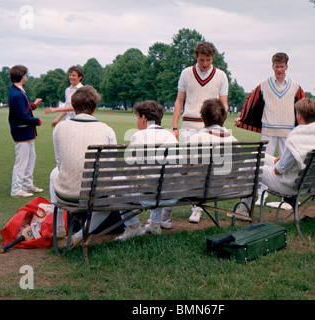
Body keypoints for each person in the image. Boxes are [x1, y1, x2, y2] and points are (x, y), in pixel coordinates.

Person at [49, 85, 119, 248]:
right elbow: (110, 167)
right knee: (107, 202)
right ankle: (79, 236)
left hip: (67, 194)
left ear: (73, 107)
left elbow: (60, 164)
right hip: (96, 196)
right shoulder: (107, 130)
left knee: (54, 172)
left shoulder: (59, 127)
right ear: (95, 108)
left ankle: (59, 226)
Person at [234, 52, 305, 205]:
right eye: (276, 66)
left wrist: (305, 125)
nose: (279, 70)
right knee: (262, 162)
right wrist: (242, 117)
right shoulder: (264, 85)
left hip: (288, 131)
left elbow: (303, 105)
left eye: (281, 66)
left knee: (287, 163)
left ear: (286, 67)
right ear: (272, 66)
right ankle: (261, 194)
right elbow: (251, 101)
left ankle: (286, 197)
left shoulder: (295, 86)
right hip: (268, 130)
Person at [172, 41, 229, 223]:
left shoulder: (220, 75)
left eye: (209, 60)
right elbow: (179, 101)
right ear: (196, 57)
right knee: (187, 169)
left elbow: (223, 104)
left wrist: (221, 124)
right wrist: (174, 127)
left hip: (211, 127)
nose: (205, 63)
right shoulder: (186, 73)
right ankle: (188, 204)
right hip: (189, 125)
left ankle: (197, 207)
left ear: (213, 58)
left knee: (206, 167)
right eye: (202, 60)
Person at [242, 98, 315, 209]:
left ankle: (243, 210)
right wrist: (284, 159)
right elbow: (302, 156)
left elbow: (278, 171)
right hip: (308, 182)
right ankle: (233, 182)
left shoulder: (296, 137)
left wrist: (279, 163)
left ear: (299, 116)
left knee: (253, 167)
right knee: (255, 156)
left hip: (290, 185)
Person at [117, 101, 178, 240]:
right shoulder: (171, 137)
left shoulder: (138, 136)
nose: (137, 121)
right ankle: (155, 224)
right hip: (170, 196)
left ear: (144, 118)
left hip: (147, 197)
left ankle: (133, 227)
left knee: (119, 184)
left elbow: (129, 171)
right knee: (158, 179)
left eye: (138, 117)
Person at [8, 65, 43, 198]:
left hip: (26, 132)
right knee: (22, 161)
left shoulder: (18, 90)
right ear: (22, 76)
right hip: (22, 131)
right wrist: (37, 121)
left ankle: (27, 185)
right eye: (26, 74)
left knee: (31, 159)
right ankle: (16, 190)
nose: (26, 76)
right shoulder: (16, 94)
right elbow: (22, 116)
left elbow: (24, 109)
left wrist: (34, 105)